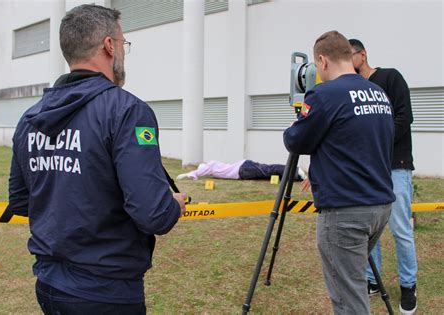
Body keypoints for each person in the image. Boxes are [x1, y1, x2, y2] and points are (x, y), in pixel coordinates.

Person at [8, 5, 186, 314]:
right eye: (123, 44)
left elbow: (22, 202)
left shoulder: (30, 118)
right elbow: (153, 214)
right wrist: (175, 204)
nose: (123, 53)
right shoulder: (127, 111)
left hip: (50, 287)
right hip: (106, 294)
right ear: (109, 45)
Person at [284, 30, 395, 314]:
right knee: (353, 281)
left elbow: (297, 140)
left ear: (322, 60)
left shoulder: (325, 94)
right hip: (380, 205)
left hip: (345, 211)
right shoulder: (378, 93)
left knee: (349, 300)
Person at [350, 38, 418, 314]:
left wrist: (376, 140)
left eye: (349, 55)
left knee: (400, 228)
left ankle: (408, 286)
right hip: (369, 169)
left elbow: (405, 117)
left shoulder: (391, 78)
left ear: (362, 55)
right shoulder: (355, 90)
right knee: (369, 229)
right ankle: (371, 280)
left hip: (396, 165)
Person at [176, 159, 306, 181]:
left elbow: (197, 173)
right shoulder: (214, 169)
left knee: (269, 169)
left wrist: (188, 175)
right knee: (268, 172)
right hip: (244, 169)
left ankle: (297, 171)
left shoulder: (211, 165)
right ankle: (295, 176)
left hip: (243, 169)